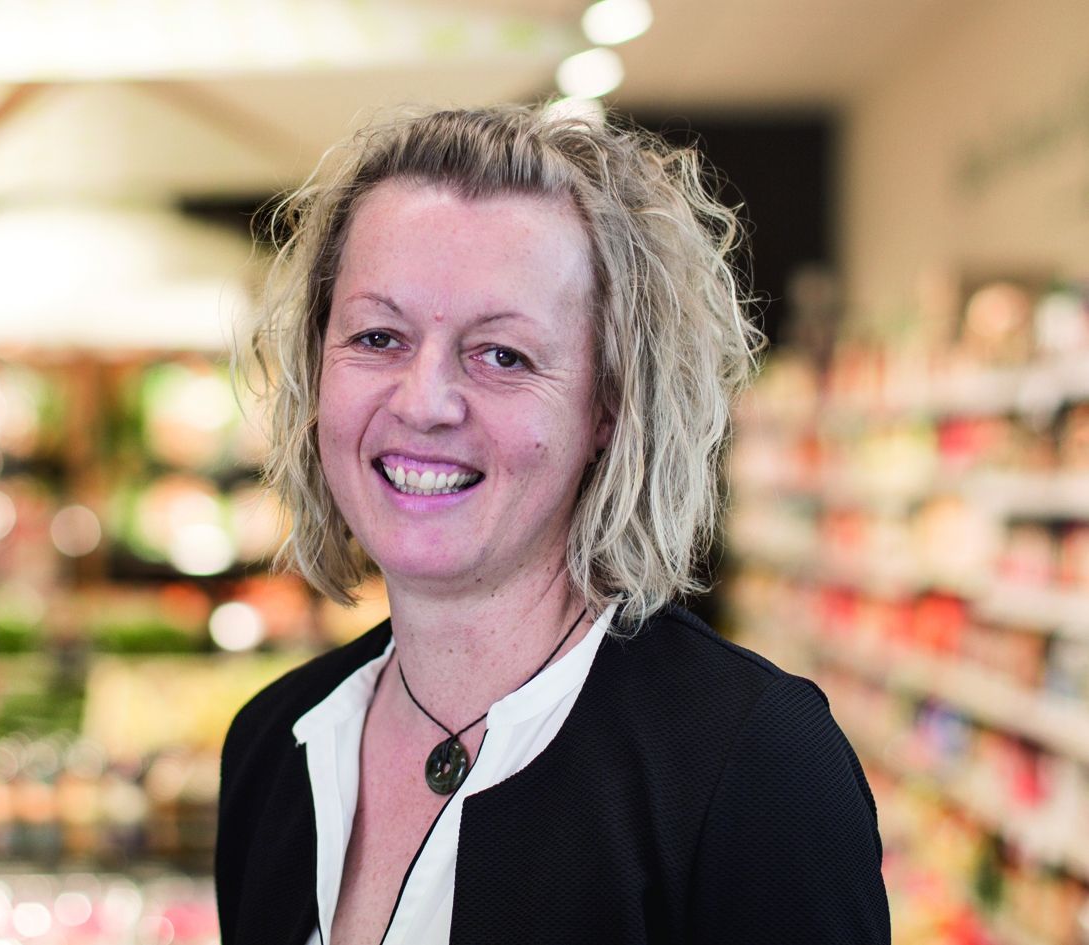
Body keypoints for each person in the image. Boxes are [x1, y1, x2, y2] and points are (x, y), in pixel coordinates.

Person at [216, 105, 889, 945]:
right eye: (379, 337)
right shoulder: (273, 746)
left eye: (503, 354)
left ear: (609, 404)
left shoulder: (754, 768)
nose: (424, 402)